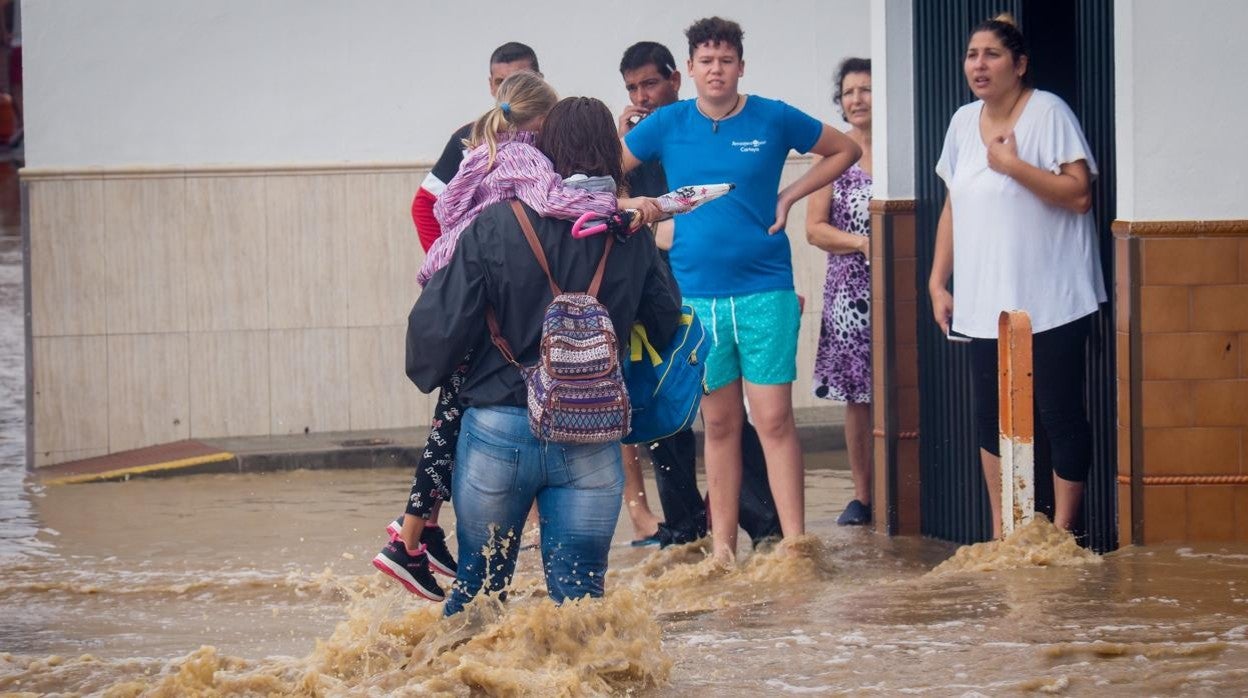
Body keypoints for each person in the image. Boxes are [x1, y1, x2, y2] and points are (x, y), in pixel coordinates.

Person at [374, 72, 661, 600]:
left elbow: (432, 337)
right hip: (591, 437)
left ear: (546, 147)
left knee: (478, 597)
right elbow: (665, 324)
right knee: (582, 606)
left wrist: (445, 376)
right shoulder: (628, 232)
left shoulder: (494, 224)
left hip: (496, 431)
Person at [623, 17, 861, 562]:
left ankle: (797, 545)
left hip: (765, 290)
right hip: (697, 299)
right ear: (690, 68)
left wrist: (790, 196)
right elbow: (609, 170)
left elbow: (843, 149)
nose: (716, 70)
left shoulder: (772, 116)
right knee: (721, 423)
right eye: (706, 61)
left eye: (725, 61)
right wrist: (641, 210)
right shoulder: (668, 124)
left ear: (740, 67)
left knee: (775, 419)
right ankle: (724, 552)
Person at [927, 14, 1104, 539]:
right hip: (985, 301)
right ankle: (1006, 531)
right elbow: (953, 205)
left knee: (1057, 412)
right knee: (990, 419)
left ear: (1019, 64)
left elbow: (1078, 194)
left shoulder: (1048, 112)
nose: (978, 64)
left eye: (992, 54)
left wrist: (1011, 166)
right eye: (972, 54)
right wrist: (939, 281)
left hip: (1052, 295)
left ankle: (1063, 534)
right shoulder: (962, 122)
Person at [616, 40, 782, 548]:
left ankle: (764, 520)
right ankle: (686, 526)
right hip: (657, 290)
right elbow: (611, 198)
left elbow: (739, 204)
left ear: (675, 79)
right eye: (632, 88)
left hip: (716, 283)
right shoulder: (640, 142)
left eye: (650, 84)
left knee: (723, 409)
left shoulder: (697, 129)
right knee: (667, 401)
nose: (642, 96)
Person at [805, 57, 874, 526]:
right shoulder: (834, 156)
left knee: (902, 388)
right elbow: (814, 229)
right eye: (849, 92)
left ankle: (907, 489)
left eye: (866, 90)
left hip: (898, 287)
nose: (857, 99)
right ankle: (863, 495)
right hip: (849, 291)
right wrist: (863, 243)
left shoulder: (900, 151)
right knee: (858, 396)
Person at [411, 42, 541, 253]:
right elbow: (425, 205)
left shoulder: (559, 133)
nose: (508, 89)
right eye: (500, 82)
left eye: (517, 80)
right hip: (491, 271)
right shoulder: (469, 140)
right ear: (491, 85)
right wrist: (446, 267)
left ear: (539, 80)